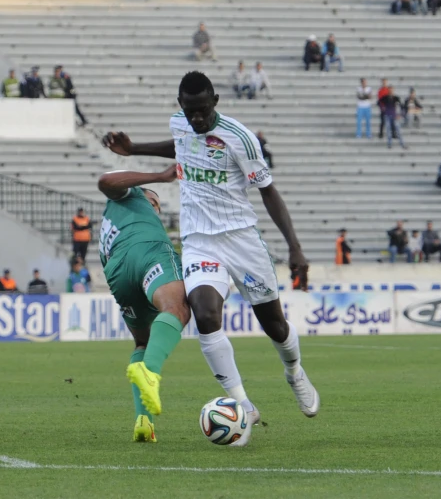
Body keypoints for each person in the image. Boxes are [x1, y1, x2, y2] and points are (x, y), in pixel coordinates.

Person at [102, 71, 319, 447]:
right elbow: (181, 146)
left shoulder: (240, 138)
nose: (197, 119)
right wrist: (134, 147)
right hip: (200, 241)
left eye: (202, 110)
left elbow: (269, 191)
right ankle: (243, 405)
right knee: (204, 315)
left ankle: (295, 371)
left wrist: (295, 246)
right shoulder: (182, 125)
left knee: (275, 326)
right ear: (180, 107)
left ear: (215, 100)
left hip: (241, 240)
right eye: (190, 112)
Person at [97, 168, 192, 443]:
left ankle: (143, 421)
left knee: (143, 342)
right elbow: (105, 181)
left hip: (117, 271)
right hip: (148, 251)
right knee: (177, 309)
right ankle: (150, 373)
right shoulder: (130, 196)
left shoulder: (109, 226)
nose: (156, 210)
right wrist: (160, 177)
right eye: (155, 204)